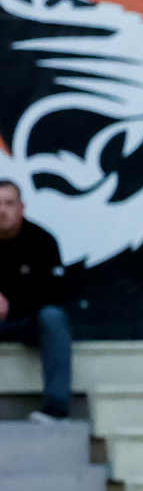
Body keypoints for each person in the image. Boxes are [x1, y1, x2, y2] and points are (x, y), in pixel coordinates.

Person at [0, 179, 71, 422]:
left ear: (22, 207)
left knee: (53, 317)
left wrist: (11, 303)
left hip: (28, 322)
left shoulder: (42, 240)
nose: (2, 211)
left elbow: (57, 293)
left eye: (9, 203)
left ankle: (56, 408)